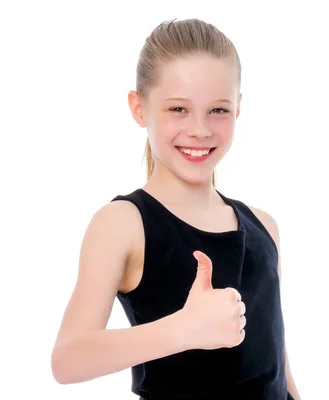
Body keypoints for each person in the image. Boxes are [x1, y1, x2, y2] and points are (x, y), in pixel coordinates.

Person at [50, 18, 301, 400]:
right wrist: (184, 329)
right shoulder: (123, 223)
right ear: (139, 108)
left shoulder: (265, 226)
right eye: (178, 109)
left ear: (238, 109)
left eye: (218, 110)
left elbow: (278, 368)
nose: (200, 129)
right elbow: (68, 360)